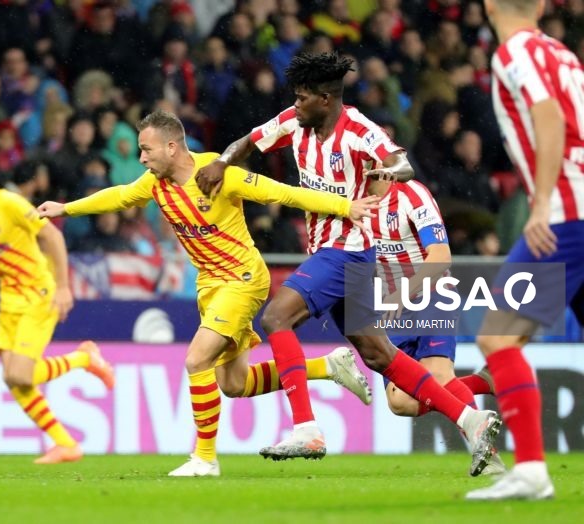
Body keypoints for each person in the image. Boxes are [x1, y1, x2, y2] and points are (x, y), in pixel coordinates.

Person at [196, 52, 500, 472]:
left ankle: (306, 428)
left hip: (348, 249)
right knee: (377, 353)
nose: (295, 104)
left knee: (277, 317)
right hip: (340, 256)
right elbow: (248, 140)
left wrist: (387, 173)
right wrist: (222, 160)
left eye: (303, 98)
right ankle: (470, 418)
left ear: (325, 99)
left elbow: (401, 161)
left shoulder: (359, 131)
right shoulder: (292, 121)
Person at [38, 110, 378, 476]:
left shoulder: (222, 175)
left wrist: (345, 206)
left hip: (242, 278)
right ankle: (327, 366)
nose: (141, 158)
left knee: (196, 359)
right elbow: (120, 197)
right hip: (210, 286)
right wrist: (65, 209)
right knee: (233, 384)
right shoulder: (155, 184)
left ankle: (204, 458)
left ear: (172, 147)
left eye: (146, 150)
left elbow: (284, 193)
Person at [467, 0, 584, 500]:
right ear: (540, 5)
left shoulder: (513, 51)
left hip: (564, 213)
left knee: (498, 339)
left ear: (490, 5)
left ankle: (532, 470)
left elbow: (549, 115)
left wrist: (540, 206)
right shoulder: (563, 54)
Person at [0, 147, 115, 465]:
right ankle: (66, 444)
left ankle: (85, 358)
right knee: (13, 379)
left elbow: (52, 238)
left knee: (22, 375)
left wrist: (64, 287)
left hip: (38, 292)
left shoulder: (9, 203)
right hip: (8, 301)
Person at [366, 175, 505, 476]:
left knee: (440, 374)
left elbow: (440, 256)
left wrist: (406, 290)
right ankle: (483, 382)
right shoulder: (353, 204)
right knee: (400, 402)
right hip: (392, 307)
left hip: (431, 293)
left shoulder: (413, 195)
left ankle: (487, 454)